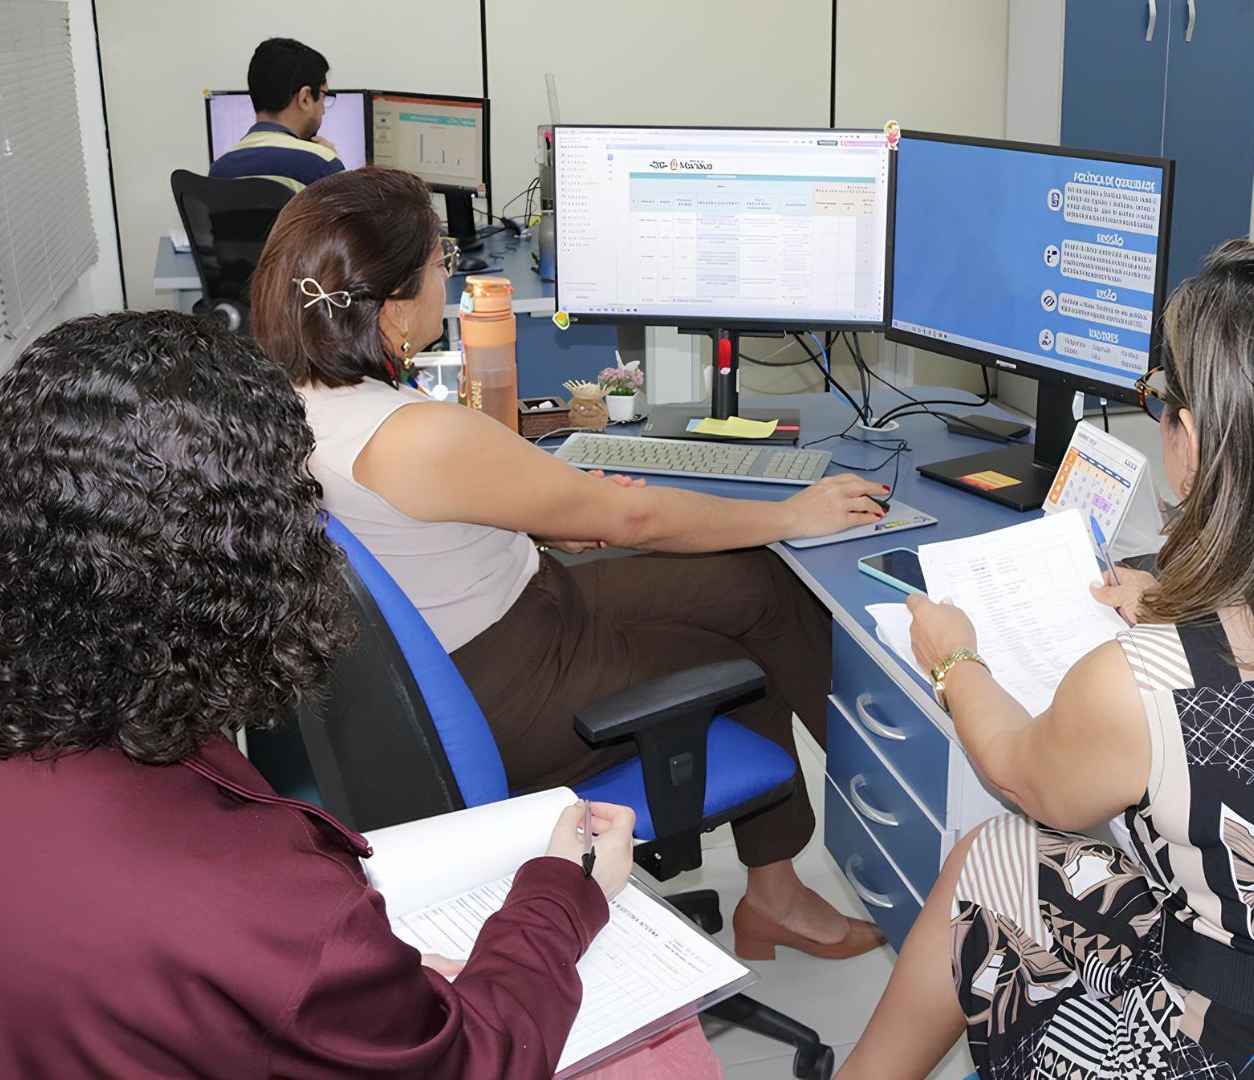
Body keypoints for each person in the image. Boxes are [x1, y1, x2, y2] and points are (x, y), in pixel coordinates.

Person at [0, 310, 688, 1078]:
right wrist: (560, 893)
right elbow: (479, 1058)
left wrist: (361, 987)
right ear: (241, 561)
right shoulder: (258, 914)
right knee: (668, 1050)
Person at [838, 241, 1254, 1080]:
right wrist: (1186, 613)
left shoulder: (1145, 681)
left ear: (1200, 438)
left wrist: (953, 653)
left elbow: (1020, 772)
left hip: (1224, 1053)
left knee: (996, 853)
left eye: (1162, 401)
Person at [249, 166, 890, 961]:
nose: (449, 276)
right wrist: (792, 511)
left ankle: (795, 879)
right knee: (745, 646)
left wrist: (560, 514)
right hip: (516, 674)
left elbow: (438, 524)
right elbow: (637, 516)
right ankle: (884, 827)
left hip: (493, 620)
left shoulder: (284, 407)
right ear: (391, 308)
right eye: (439, 262)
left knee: (751, 580)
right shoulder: (415, 434)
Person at [210, 37, 345, 191]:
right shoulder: (321, 164)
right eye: (323, 95)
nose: (323, 109)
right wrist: (336, 167)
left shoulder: (219, 170)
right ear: (305, 98)